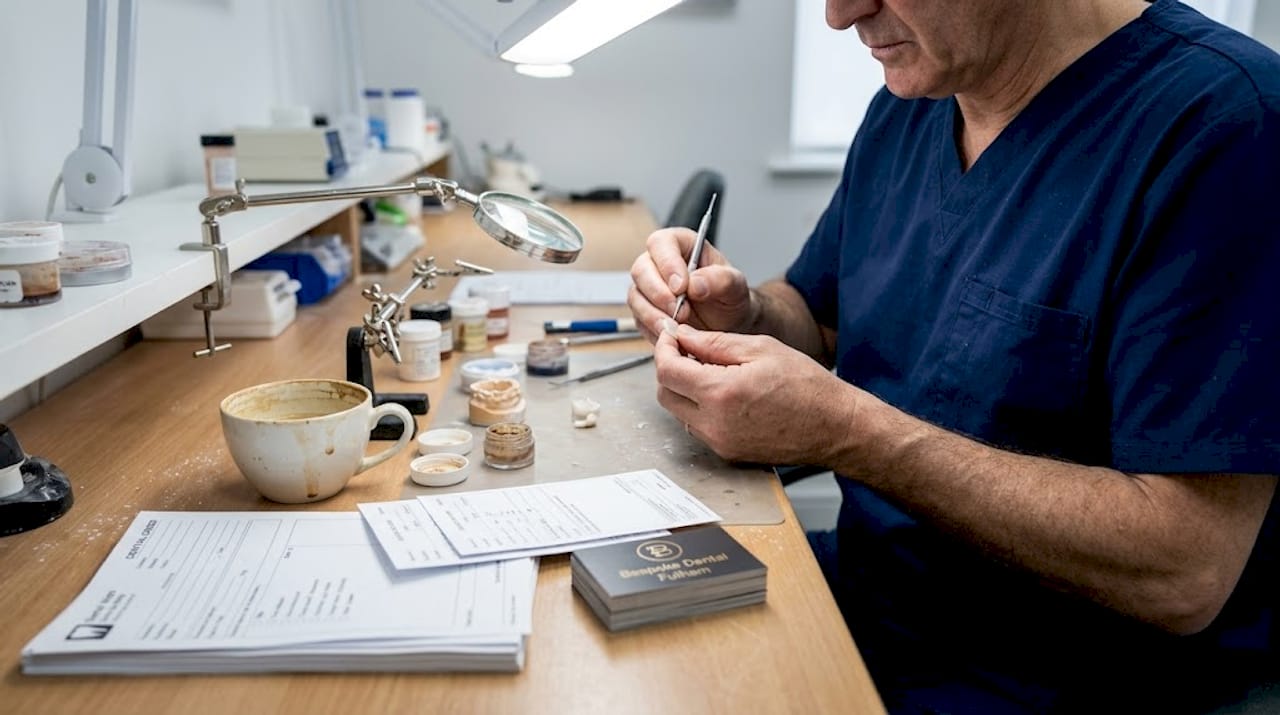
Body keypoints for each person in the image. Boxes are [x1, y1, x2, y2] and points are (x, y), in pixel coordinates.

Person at [628, 0, 1280, 711]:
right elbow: (814, 313)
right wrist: (745, 315)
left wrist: (848, 429)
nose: (841, 16)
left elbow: (1183, 570)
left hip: (1052, 682)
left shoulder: (1227, 129)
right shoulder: (911, 102)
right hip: (873, 602)